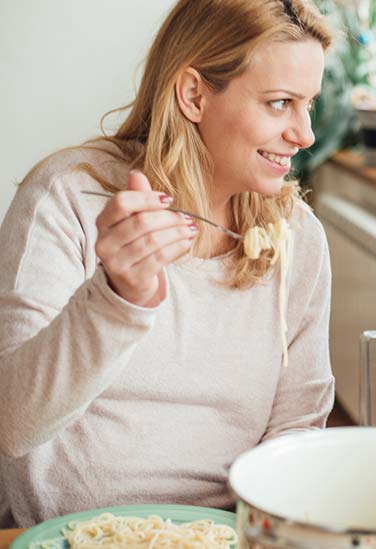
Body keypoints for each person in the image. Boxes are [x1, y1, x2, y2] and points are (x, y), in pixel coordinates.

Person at [0, 0, 335, 527]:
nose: (305, 133)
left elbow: (296, 426)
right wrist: (117, 296)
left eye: (307, 104)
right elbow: (14, 424)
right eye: (278, 103)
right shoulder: (70, 199)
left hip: (230, 533)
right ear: (194, 95)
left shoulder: (298, 237)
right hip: (72, 533)